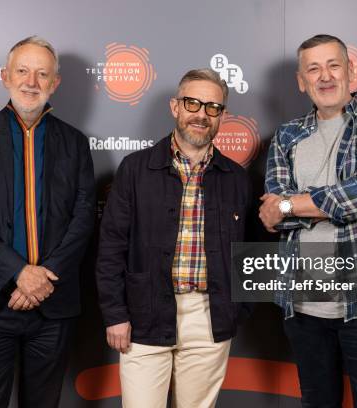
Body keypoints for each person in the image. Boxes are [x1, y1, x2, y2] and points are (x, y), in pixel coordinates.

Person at [260, 34, 357, 407]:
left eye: (333, 65)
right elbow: (271, 215)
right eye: (313, 69)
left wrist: (292, 204)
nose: (324, 76)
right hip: (304, 308)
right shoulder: (286, 136)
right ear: (301, 80)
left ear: (351, 71)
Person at [0, 36, 95, 408]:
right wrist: (18, 272)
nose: (32, 82)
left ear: (55, 83)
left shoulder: (75, 143)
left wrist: (43, 278)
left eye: (43, 73)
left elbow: (82, 217)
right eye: (23, 71)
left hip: (52, 304)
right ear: (5, 76)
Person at [96, 68, 252, 408]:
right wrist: (115, 314)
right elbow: (111, 247)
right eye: (192, 103)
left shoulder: (236, 179)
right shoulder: (135, 169)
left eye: (213, 107)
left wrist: (237, 309)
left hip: (209, 319)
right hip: (144, 314)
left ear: (222, 116)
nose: (201, 114)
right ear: (175, 107)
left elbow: (250, 252)